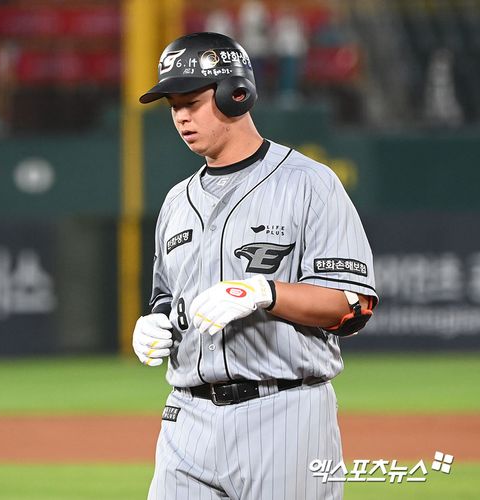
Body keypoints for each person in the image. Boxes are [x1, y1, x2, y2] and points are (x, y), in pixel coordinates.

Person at [133, 32, 377, 500]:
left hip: (284, 415)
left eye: (192, 101)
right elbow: (166, 296)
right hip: (186, 420)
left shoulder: (310, 183)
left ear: (236, 94)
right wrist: (154, 323)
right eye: (173, 106)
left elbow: (353, 306)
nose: (181, 116)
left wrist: (265, 292)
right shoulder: (176, 202)